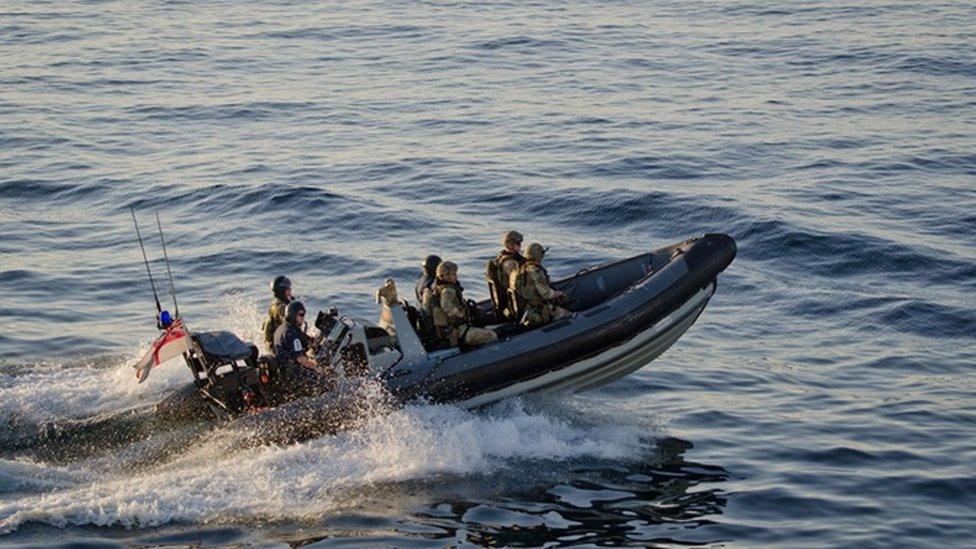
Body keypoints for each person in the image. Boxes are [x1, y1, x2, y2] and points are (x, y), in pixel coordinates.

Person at [423, 261, 498, 348]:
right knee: (491, 335)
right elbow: (446, 307)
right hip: (458, 330)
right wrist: (460, 314)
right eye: (454, 274)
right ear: (444, 276)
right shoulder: (448, 290)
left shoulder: (438, 289)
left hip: (451, 329)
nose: (456, 276)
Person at [511, 242, 572, 328]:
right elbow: (547, 294)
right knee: (569, 316)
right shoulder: (536, 272)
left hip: (523, 310)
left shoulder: (516, 271)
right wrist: (558, 293)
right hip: (537, 311)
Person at [273, 301, 317, 370]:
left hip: (283, 367)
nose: (303, 317)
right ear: (293, 314)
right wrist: (320, 369)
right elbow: (301, 359)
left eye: (304, 314)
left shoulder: (283, 327)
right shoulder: (291, 333)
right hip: (291, 372)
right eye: (301, 314)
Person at [262, 275, 293, 352]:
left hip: (278, 342)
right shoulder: (281, 307)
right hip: (278, 347)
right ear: (282, 290)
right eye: (288, 287)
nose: (290, 289)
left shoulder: (277, 303)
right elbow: (290, 326)